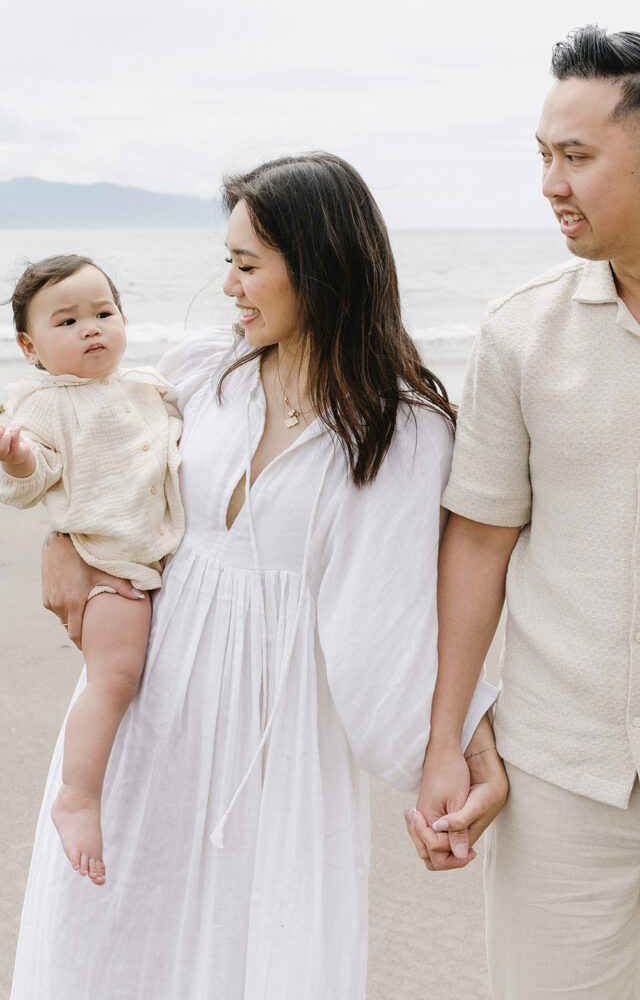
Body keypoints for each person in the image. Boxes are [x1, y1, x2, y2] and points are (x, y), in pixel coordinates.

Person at [10, 153, 507, 1000]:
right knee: (106, 941)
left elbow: (394, 613)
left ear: (316, 267)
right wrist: (62, 542)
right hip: (145, 712)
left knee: (253, 956)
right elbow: (101, 464)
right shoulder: (208, 371)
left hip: (276, 736)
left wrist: (459, 751)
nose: (231, 286)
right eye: (226, 263)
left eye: (248, 265)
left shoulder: (402, 432)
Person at [406, 25, 640, 998]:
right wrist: (443, 739)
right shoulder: (517, 332)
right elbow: (477, 540)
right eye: (540, 155)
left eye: (572, 157)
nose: (546, 184)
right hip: (557, 775)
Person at [0, 256, 183, 886]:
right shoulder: (45, 403)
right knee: (114, 678)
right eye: (68, 321)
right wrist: (18, 457)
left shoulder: (146, 385)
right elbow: (29, 479)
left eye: (103, 312)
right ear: (30, 347)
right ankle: (77, 795)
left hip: (155, 559)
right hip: (108, 567)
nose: (91, 328)